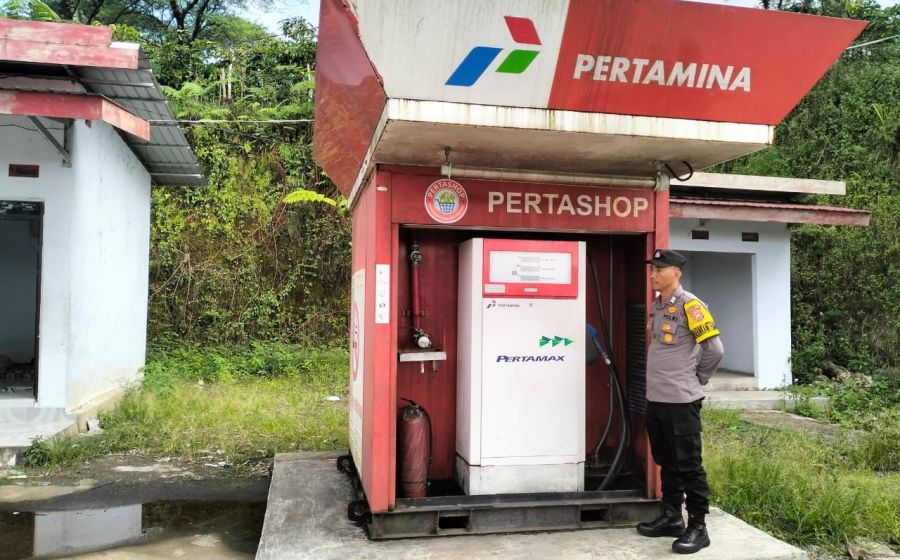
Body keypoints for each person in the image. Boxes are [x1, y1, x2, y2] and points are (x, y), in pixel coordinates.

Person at [636, 249, 724, 554]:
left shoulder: (691, 305)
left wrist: (698, 378)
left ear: (677, 273)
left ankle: (698, 526)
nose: (653, 275)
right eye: (652, 269)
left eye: (659, 270)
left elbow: (715, 350)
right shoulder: (657, 305)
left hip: (681, 400)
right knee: (667, 461)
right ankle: (672, 516)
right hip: (657, 398)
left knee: (689, 465)